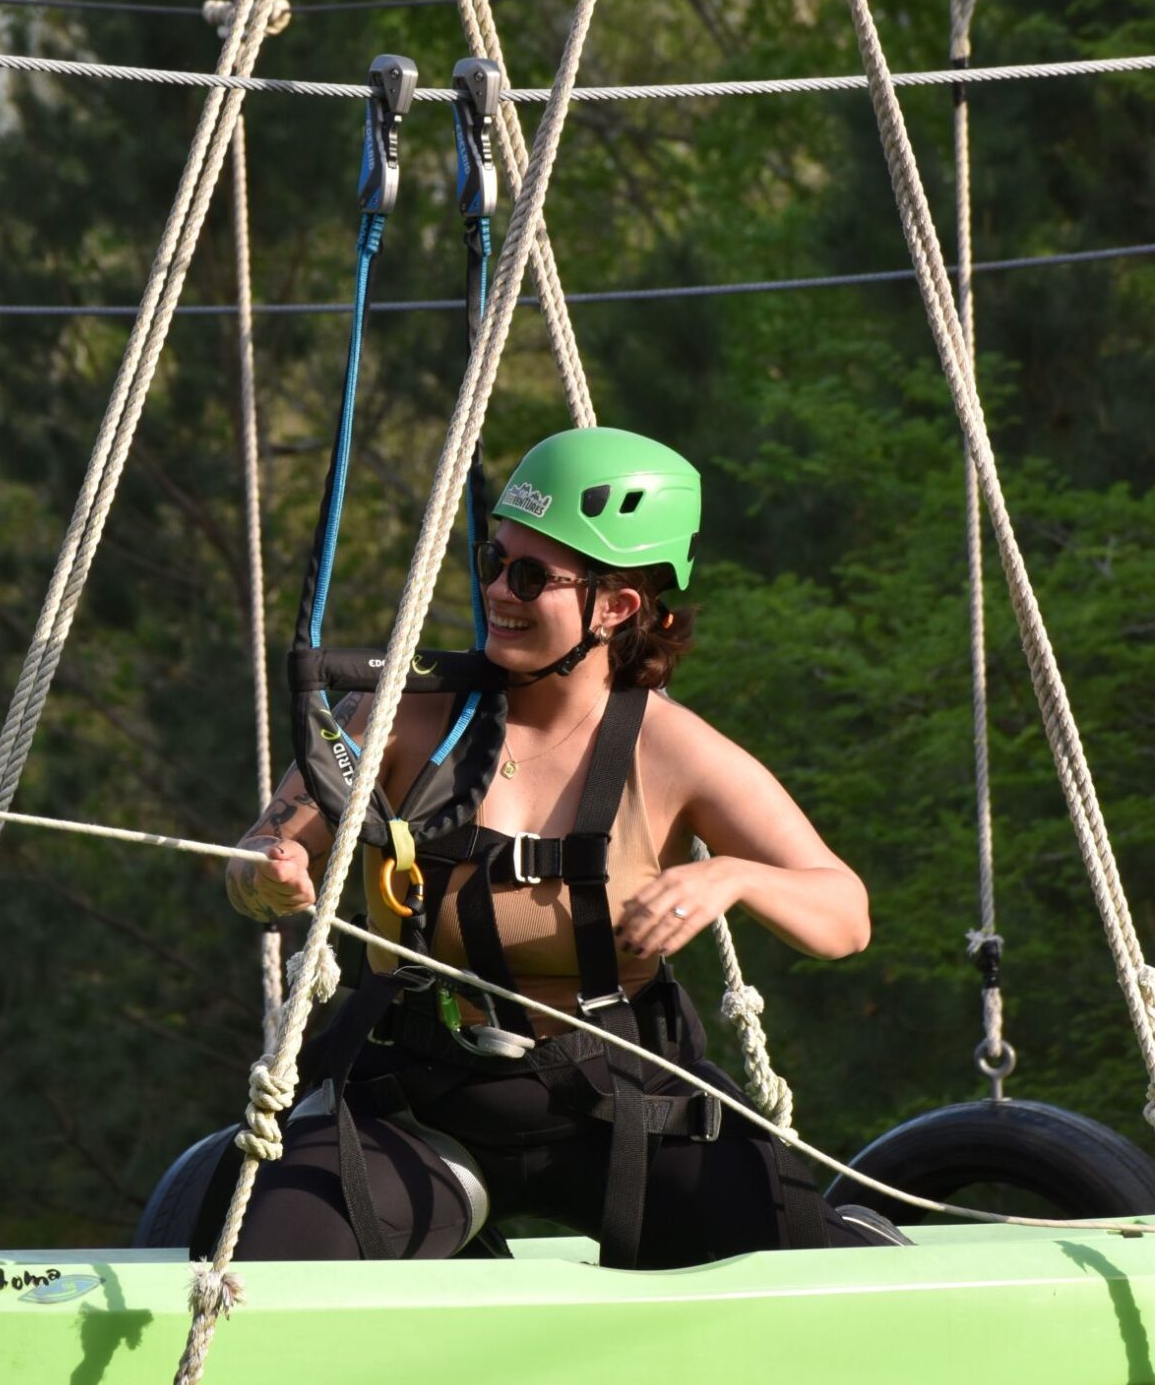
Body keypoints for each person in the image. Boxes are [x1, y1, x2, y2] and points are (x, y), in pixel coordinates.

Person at [222, 426, 895, 1267]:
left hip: (620, 1107)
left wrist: (732, 876)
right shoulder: (395, 714)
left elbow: (846, 917)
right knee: (269, 1252)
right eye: (493, 560)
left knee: (786, 1256)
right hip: (415, 1108)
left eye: (532, 576)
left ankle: (856, 1236)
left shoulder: (673, 749)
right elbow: (250, 863)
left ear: (616, 607)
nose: (499, 590)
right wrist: (271, 877)